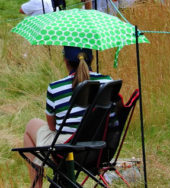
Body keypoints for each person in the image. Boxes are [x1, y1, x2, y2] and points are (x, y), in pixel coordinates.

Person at [23, 46, 113, 187]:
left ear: (65, 60)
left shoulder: (56, 87)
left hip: (67, 150)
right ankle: (62, 179)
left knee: (31, 125)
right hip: (100, 147)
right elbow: (111, 117)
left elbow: (53, 127)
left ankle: (37, 186)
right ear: (91, 58)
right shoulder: (108, 82)